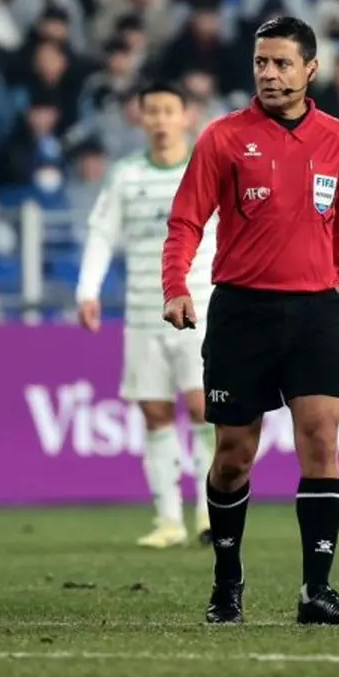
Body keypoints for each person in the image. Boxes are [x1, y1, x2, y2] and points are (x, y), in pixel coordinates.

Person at [161, 16, 339, 626]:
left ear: (311, 68)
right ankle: (227, 583)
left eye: (282, 63)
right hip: (242, 313)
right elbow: (186, 222)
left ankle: (317, 590)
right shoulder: (224, 138)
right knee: (233, 454)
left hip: (315, 311)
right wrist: (176, 286)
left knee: (321, 441)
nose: (270, 74)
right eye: (261, 63)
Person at [76, 82, 218, 548]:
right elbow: (102, 233)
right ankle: (168, 520)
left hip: (200, 305)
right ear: (140, 118)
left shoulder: (207, 168)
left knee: (203, 408)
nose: (159, 119)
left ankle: (208, 512)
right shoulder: (126, 175)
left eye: (168, 110)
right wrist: (88, 289)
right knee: (155, 412)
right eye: (151, 111)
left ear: (186, 116)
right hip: (142, 310)